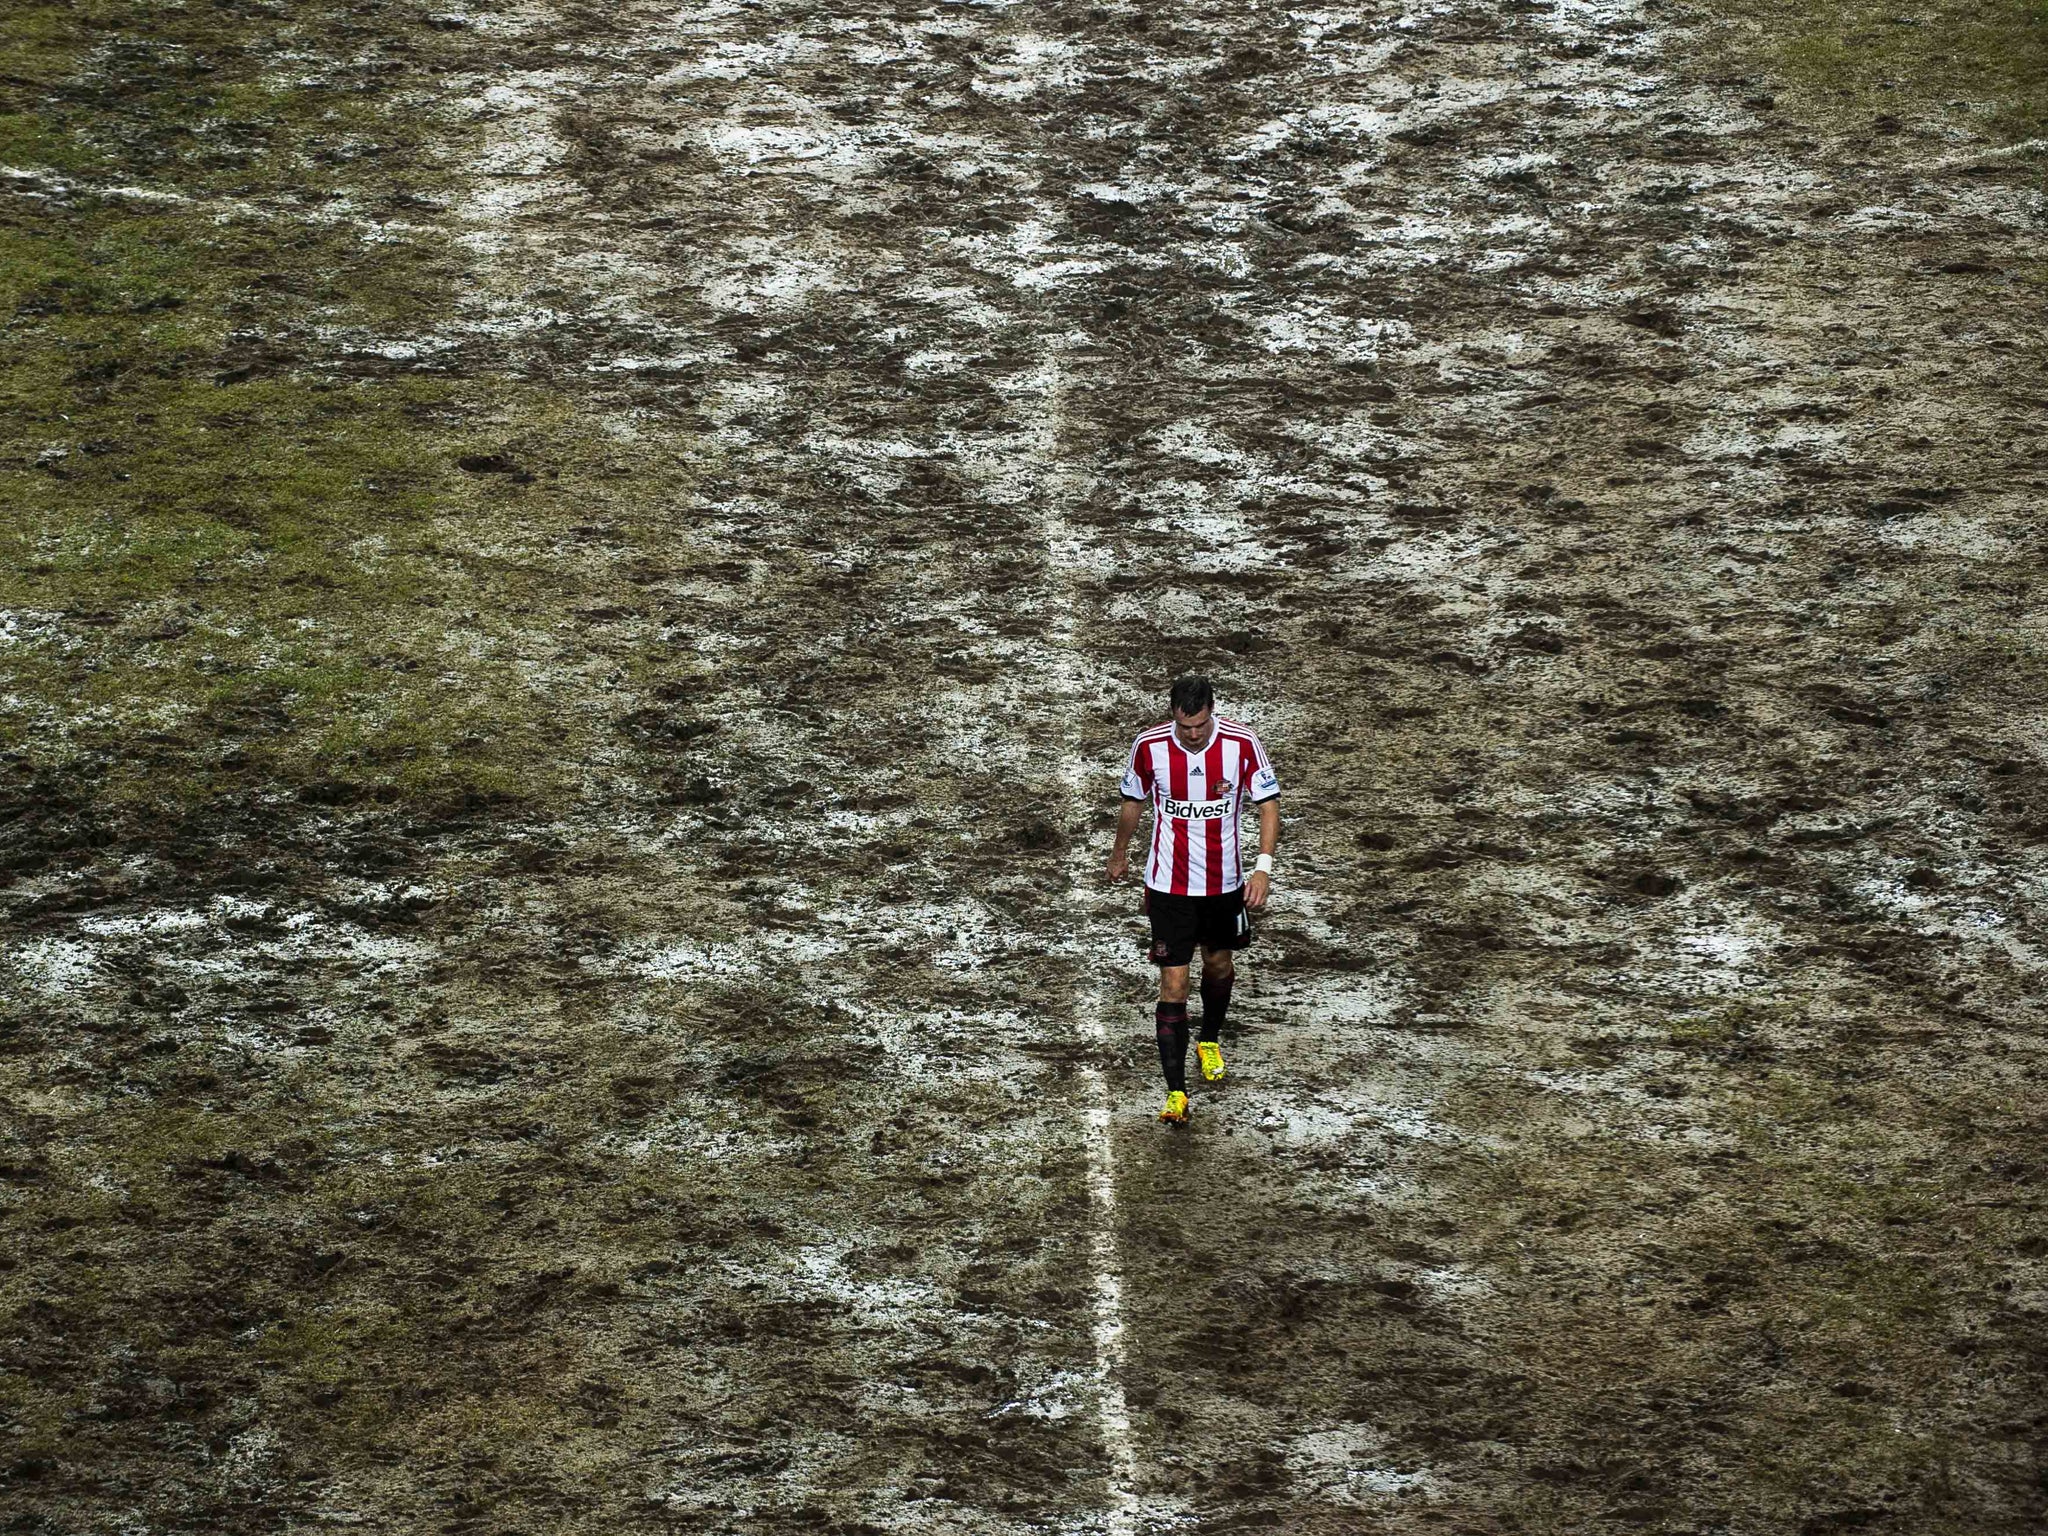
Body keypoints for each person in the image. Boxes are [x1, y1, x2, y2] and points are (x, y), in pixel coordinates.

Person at [1105, 675, 1280, 1123]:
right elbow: (1133, 801)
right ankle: (1177, 1094)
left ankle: (1209, 1039)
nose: (1194, 734)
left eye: (1200, 725)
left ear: (1211, 713)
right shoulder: (1149, 746)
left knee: (1219, 964)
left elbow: (1268, 806)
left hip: (1224, 886)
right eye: (1185, 727)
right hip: (1169, 887)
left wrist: (1263, 868)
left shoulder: (1242, 743)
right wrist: (1120, 851)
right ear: (1173, 716)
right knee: (1174, 982)